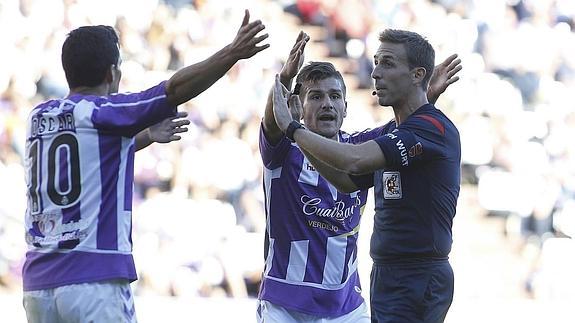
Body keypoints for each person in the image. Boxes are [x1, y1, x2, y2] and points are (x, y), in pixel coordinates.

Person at [22, 10, 269, 323]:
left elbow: (90, 153)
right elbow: (174, 90)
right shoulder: (103, 111)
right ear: (112, 73)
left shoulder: (39, 117)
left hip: (39, 286)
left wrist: (145, 137)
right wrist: (231, 53)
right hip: (93, 280)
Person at [260, 30, 461, 322]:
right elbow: (275, 121)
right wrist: (283, 81)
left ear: (345, 107)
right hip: (288, 299)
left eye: (334, 96)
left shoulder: (360, 146)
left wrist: (424, 91)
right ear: (297, 107)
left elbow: (377, 147)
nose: (326, 103)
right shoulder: (284, 150)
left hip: (350, 303)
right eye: (315, 96)